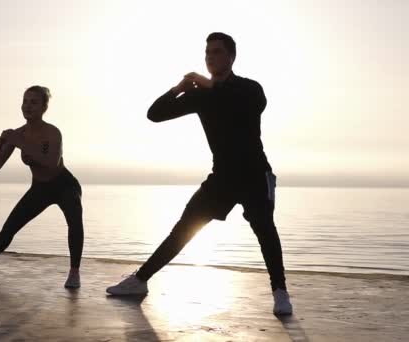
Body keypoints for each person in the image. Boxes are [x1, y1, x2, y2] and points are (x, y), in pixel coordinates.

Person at [106, 32, 293, 315]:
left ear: (231, 57)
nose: (210, 57)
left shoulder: (249, 89)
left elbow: (248, 103)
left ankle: (280, 293)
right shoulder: (201, 96)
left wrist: (205, 83)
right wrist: (179, 87)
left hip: (255, 174)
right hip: (222, 178)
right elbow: (154, 114)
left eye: (216, 52)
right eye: (207, 53)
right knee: (184, 228)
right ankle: (139, 281)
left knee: (265, 230)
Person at [0, 85, 84, 289]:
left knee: (75, 223)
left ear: (44, 107)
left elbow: (51, 162)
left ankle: (74, 272)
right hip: (40, 188)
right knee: (11, 226)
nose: (28, 106)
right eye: (25, 101)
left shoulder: (52, 132)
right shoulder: (18, 134)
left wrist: (20, 143)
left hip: (64, 185)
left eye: (34, 102)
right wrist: (1, 141)